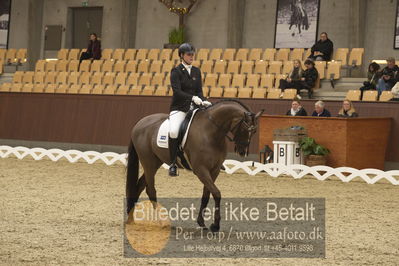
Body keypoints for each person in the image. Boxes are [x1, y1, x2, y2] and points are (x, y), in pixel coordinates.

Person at [168, 43, 212, 177]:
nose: (191, 56)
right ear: (181, 55)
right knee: (174, 131)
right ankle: (172, 164)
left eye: (193, 54)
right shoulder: (176, 72)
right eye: (189, 54)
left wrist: (203, 100)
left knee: (210, 125)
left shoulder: (196, 71)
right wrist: (192, 98)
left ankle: (213, 158)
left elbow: (199, 90)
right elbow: (177, 92)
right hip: (180, 108)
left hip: (195, 107)